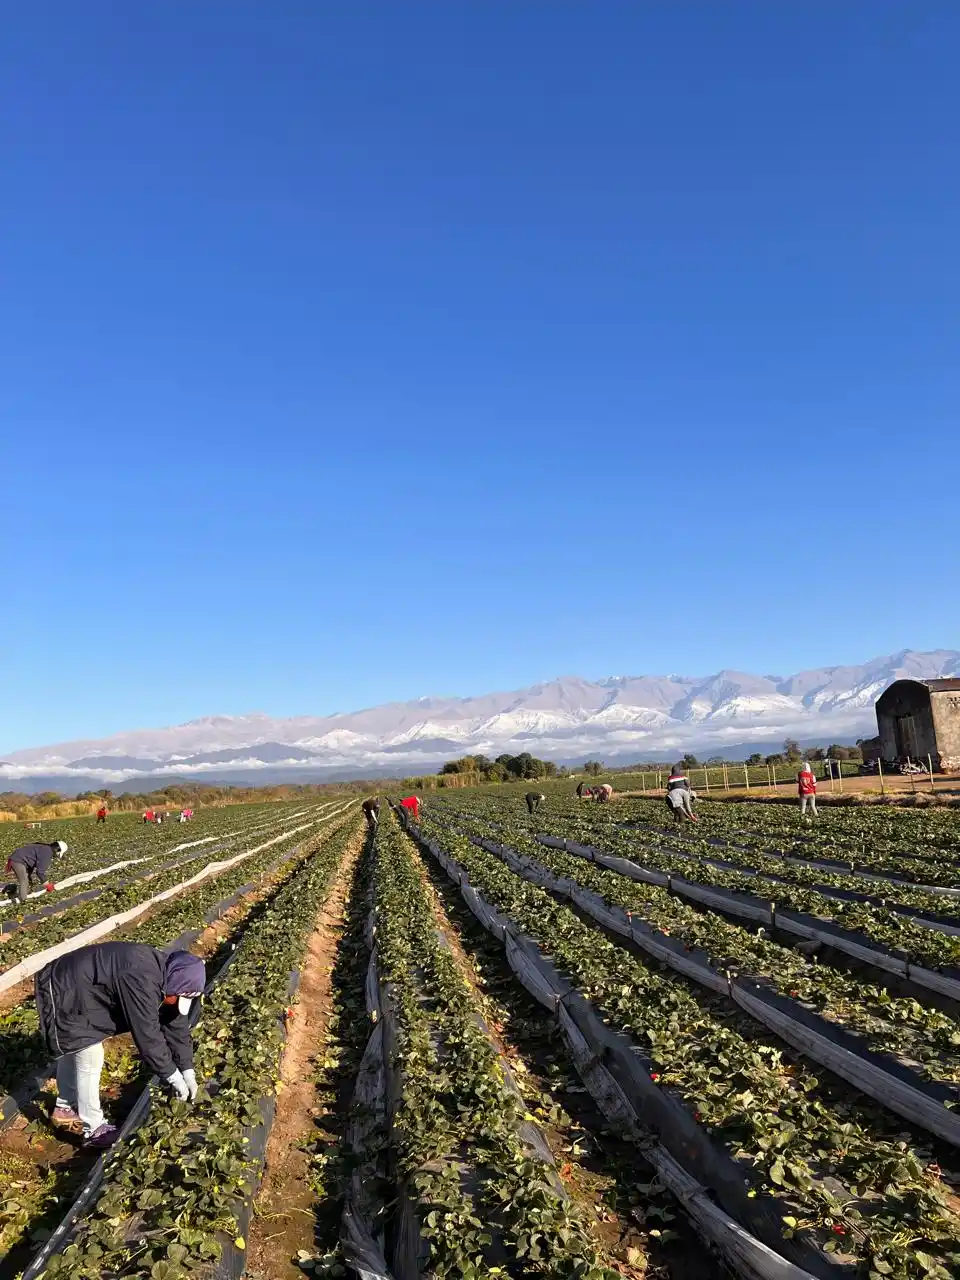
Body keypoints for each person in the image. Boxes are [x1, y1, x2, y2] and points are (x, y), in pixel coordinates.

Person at [36, 942, 206, 1148]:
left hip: (83, 987)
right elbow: (147, 1036)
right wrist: (172, 1075)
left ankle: (65, 1107)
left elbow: (176, 1025)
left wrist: (187, 1069)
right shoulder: (140, 978)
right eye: (177, 998)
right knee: (87, 1052)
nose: (175, 1003)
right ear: (174, 984)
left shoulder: (169, 978)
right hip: (65, 987)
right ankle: (94, 1130)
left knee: (76, 1047)